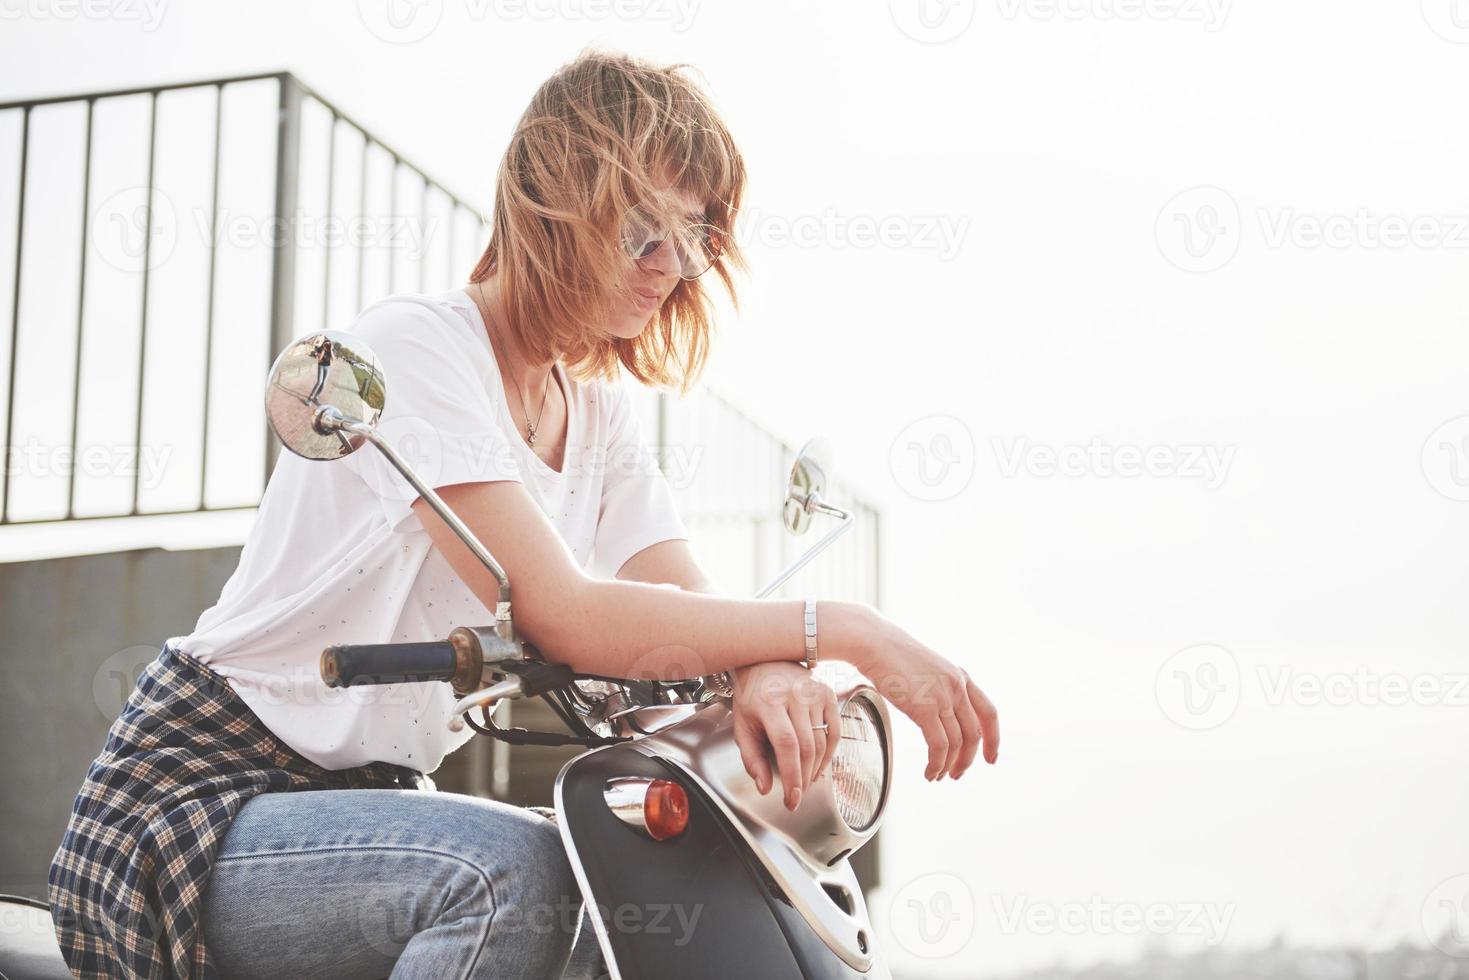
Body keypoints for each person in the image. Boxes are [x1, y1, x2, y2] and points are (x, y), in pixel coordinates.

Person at [48, 48, 999, 979]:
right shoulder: (417, 351)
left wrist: (765, 668)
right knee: (511, 877)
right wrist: (846, 629)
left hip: (371, 805)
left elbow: (669, 581)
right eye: (642, 231)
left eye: (697, 236)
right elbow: (560, 610)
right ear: (558, 204)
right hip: (201, 799)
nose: (672, 265)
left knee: (612, 901)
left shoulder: (595, 410)